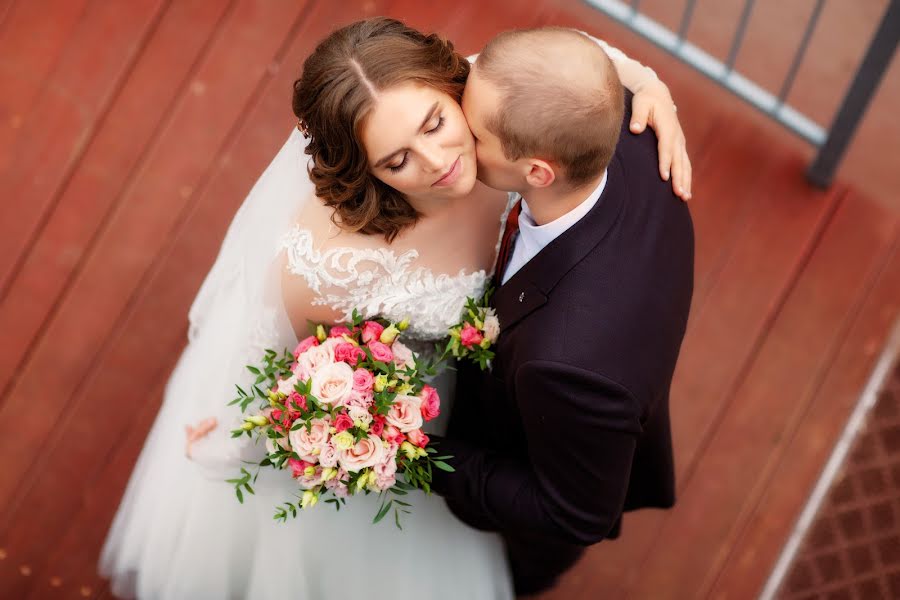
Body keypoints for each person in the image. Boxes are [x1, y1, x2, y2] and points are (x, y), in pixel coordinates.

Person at [99, 17, 690, 599]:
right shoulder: (329, 268)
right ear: (368, 171)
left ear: (453, 84)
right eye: (396, 161)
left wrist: (652, 90)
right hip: (409, 413)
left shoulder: (495, 97)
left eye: (435, 123)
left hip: (508, 387)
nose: (436, 162)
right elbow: (285, 377)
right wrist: (250, 441)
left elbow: (589, 57)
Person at [428, 27, 694, 595]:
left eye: (472, 134)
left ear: (537, 172)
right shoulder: (621, 123)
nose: (452, 142)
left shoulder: (569, 362)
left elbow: (576, 513)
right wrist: (652, 83)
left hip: (530, 481)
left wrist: (418, 456)